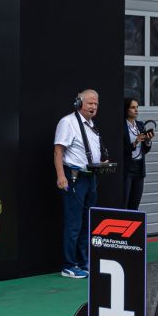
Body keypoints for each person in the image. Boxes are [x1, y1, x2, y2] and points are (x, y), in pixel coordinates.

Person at [54, 89, 105, 278]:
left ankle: (83, 261)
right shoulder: (68, 122)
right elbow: (58, 151)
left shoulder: (91, 125)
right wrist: (61, 176)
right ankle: (69, 264)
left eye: (96, 104)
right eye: (90, 103)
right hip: (74, 177)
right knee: (74, 222)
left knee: (87, 222)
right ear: (79, 103)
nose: (93, 107)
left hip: (90, 176)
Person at [124, 97, 154, 211]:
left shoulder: (140, 125)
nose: (136, 110)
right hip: (127, 168)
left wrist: (147, 140)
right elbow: (120, 149)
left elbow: (145, 150)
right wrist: (135, 142)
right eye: (132, 107)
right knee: (124, 203)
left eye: (137, 107)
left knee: (135, 204)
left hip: (139, 167)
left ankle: (133, 228)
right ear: (126, 109)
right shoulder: (122, 126)